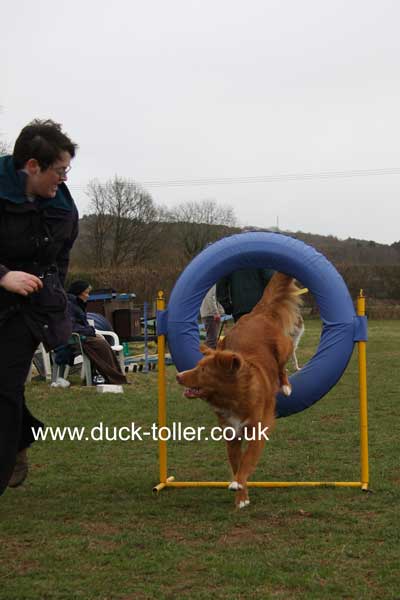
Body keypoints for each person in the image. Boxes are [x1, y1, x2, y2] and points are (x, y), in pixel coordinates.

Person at [0, 119, 79, 493]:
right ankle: (20, 437)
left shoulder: (63, 207)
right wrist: (3, 276)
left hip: (30, 309)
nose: (63, 178)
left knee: (4, 386)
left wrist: (52, 293)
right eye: (59, 170)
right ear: (32, 166)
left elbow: (60, 257)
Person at [67, 280, 128, 385]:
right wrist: (90, 331)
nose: (88, 296)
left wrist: (92, 332)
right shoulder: (70, 306)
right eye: (86, 293)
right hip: (75, 339)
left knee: (103, 343)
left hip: (83, 337)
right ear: (78, 293)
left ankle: (112, 376)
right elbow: (72, 326)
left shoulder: (77, 305)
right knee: (101, 345)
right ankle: (113, 378)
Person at [200, 284, 224, 349]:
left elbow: (216, 299)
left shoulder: (209, 283)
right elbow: (210, 297)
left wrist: (221, 312)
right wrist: (216, 313)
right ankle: (209, 357)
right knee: (212, 341)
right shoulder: (212, 283)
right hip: (210, 315)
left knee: (211, 339)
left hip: (209, 314)